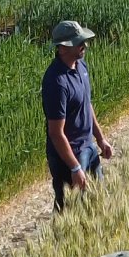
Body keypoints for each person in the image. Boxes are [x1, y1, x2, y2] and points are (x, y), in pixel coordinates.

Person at [41, 20, 114, 212]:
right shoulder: (56, 82)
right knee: (70, 210)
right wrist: (74, 167)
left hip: (88, 147)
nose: (85, 45)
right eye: (79, 42)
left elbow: (86, 105)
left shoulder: (81, 66)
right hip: (70, 155)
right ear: (63, 48)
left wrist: (100, 139)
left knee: (97, 202)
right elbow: (56, 133)